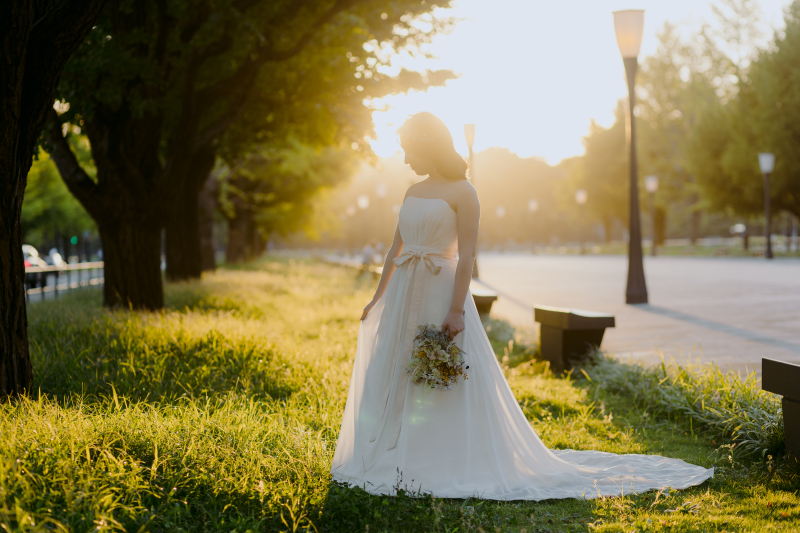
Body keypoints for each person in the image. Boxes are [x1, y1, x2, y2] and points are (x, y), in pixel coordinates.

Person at [330, 112, 712, 500]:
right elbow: (395, 249)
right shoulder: (412, 191)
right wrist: (378, 297)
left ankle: (438, 454)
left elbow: (466, 257)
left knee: (437, 371)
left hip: (439, 292)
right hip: (402, 293)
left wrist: (457, 310)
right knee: (397, 364)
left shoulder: (465, 192)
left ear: (429, 147)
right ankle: (394, 450)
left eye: (410, 151)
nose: (407, 160)